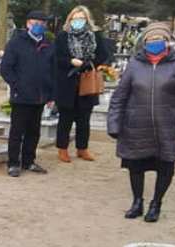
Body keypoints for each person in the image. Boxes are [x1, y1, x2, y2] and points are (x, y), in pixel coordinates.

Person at [107, 23, 175, 222]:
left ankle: (156, 203)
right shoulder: (134, 64)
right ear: (145, 42)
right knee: (135, 165)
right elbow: (120, 96)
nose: (155, 42)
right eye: (151, 39)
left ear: (167, 41)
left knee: (165, 167)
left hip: (167, 126)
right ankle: (137, 201)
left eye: (159, 39)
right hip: (136, 125)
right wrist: (114, 123)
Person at [0, 10, 56, 178]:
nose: (39, 26)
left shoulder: (48, 45)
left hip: (40, 96)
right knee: (17, 132)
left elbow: (52, 70)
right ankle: (13, 163)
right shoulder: (16, 43)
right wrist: (17, 85)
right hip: (21, 96)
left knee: (34, 131)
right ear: (28, 24)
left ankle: (29, 160)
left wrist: (50, 94)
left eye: (42, 23)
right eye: (35, 23)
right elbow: (6, 69)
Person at [54, 5, 112, 163]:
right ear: (70, 19)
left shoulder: (95, 35)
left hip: (87, 80)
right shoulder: (63, 36)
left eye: (81, 18)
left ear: (87, 19)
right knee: (65, 118)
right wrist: (70, 61)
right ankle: (62, 148)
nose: (78, 21)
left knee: (84, 118)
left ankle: (82, 148)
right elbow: (56, 58)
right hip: (67, 81)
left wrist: (90, 63)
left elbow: (103, 55)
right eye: (75, 18)